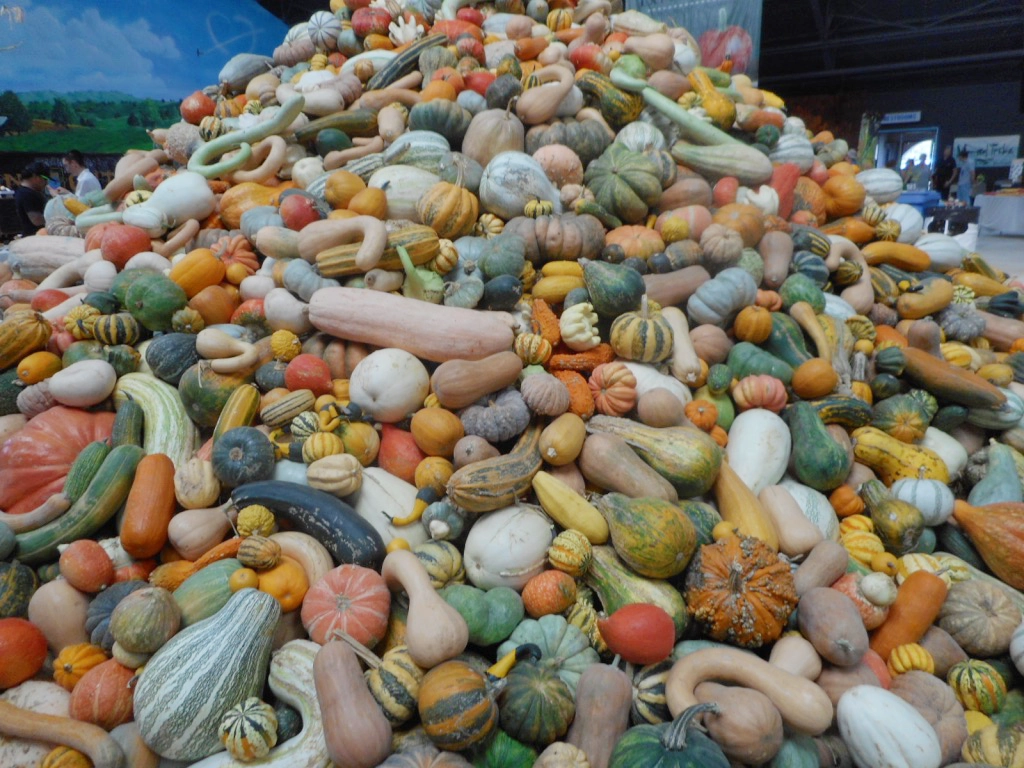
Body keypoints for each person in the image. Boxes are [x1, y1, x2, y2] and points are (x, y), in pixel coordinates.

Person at [14, 161, 50, 238]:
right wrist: (56, 219)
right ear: (36, 177)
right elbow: (36, 220)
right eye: (45, 178)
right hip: (35, 238)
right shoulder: (27, 194)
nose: (46, 182)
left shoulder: (22, 191)